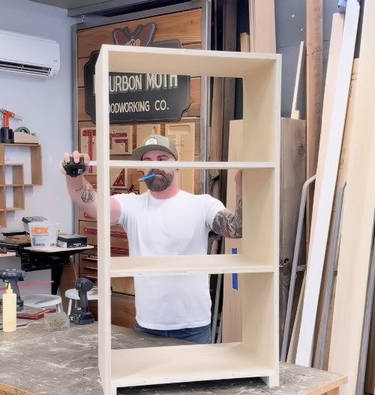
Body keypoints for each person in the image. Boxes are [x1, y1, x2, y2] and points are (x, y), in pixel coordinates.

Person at [63, 135, 242, 344]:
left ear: (177, 165)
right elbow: (92, 205)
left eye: (161, 159)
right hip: (147, 325)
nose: (153, 166)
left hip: (193, 327)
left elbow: (236, 228)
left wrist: (242, 184)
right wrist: (74, 175)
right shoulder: (131, 205)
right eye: (146, 162)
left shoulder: (202, 204)